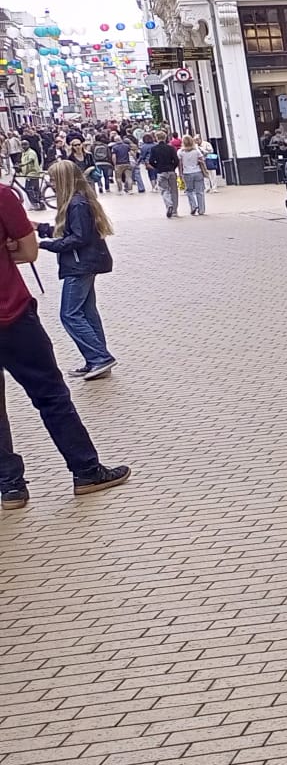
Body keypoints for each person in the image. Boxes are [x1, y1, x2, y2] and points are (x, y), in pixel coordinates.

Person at [0, 183, 130, 510]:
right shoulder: (2, 196)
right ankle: (86, 470)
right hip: (11, 316)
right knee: (50, 394)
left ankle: (10, 487)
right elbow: (28, 252)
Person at [37, 161, 116, 380]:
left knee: (69, 314)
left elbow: (78, 238)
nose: (51, 184)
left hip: (79, 265)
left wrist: (44, 245)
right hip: (84, 263)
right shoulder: (79, 201)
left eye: (54, 180)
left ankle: (100, 357)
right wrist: (40, 228)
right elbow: (70, 231)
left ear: (63, 181)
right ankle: (96, 359)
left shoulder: (76, 203)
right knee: (87, 312)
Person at [146, 134, 180, 218]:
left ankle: (169, 205)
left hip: (161, 172)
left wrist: (157, 167)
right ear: (165, 138)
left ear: (156, 138)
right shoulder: (171, 148)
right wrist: (173, 167)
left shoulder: (154, 149)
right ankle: (174, 211)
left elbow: (151, 161)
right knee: (174, 190)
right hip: (171, 171)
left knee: (164, 190)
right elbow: (176, 160)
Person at [177, 133, 209, 216]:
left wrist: (180, 174)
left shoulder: (180, 152)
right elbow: (202, 160)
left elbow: (180, 164)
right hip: (198, 172)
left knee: (189, 191)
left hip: (187, 173)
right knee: (200, 191)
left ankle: (193, 206)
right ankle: (201, 210)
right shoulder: (196, 151)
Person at [18, 140, 44, 210]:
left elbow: (31, 160)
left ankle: (35, 204)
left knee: (29, 189)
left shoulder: (31, 152)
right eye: (22, 145)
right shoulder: (24, 153)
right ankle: (40, 204)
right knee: (35, 190)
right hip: (28, 174)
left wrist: (23, 164)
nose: (24, 146)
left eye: (25, 144)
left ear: (28, 145)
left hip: (32, 173)